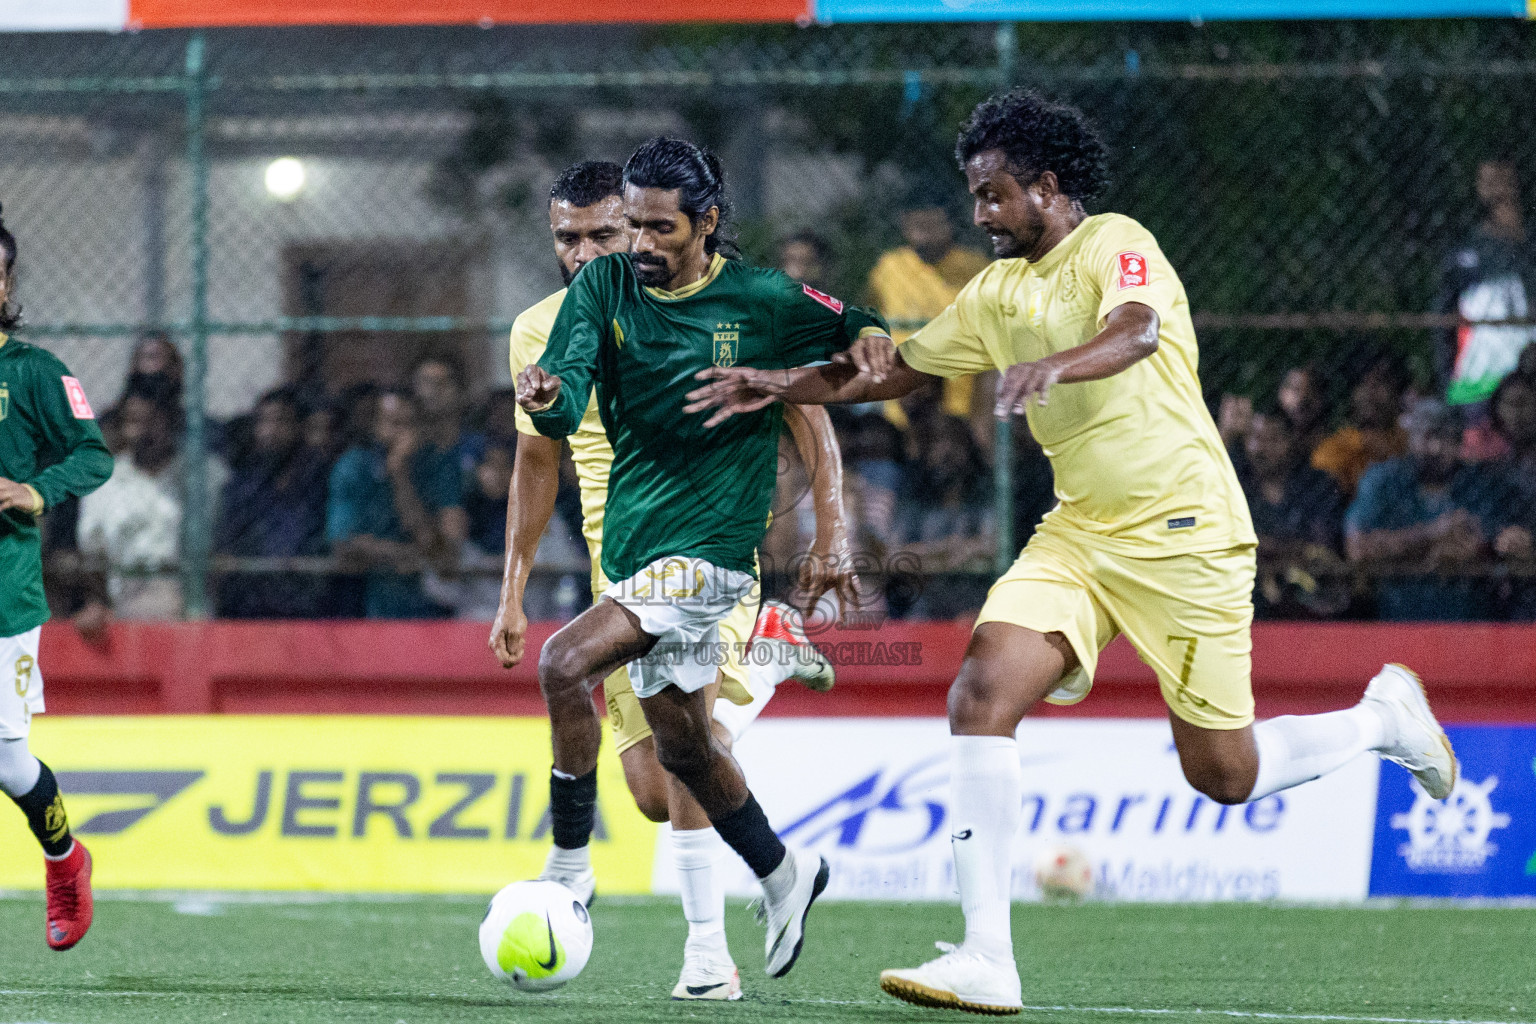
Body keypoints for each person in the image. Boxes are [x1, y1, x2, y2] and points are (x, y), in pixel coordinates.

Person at [687, 90, 1460, 1015]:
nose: (980, 215)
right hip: (1080, 531)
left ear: (1048, 187)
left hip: (1186, 533)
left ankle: (1383, 721)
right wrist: (774, 382)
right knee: (980, 690)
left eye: (994, 195)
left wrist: (1062, 362)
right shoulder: (996, 290)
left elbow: (1137, 330)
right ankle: (986, 959)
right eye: (974, 197)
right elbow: (892, 367)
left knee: (1225, 774)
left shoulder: (1116, 242)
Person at [513, 140, 886, 985]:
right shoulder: (593, 297)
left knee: (562, 663)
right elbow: (563, 401)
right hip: (630, 553)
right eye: (624, 229)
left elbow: (848, 328)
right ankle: (784, 875)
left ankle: (582, 880)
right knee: (676, 761)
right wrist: (548, 394)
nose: (630, 247)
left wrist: (867, 350)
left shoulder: (752, 300)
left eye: (649, 228)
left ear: (704, 222)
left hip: (709, 555)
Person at [0, 203, 112, 949]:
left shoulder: (34, 372)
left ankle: (66, 860)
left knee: (7, 760)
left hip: (5, 593)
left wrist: (36, 491)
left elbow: (92, 454)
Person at [1345, 399, 1516, 621]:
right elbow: (1359, 548)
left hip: (1468, 621)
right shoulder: (1383, 480)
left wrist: (1398, 548)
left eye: (1447, 437)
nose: (1436, 448)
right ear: (1411, 438)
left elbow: (1483, 546)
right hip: (1397, 619)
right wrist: (1433, 534)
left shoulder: (1479, 484)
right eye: (1427, 436)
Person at [76, 388, 228, 624]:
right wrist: (98, 604)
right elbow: (93, 554)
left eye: (152, 420)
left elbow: (222, 545)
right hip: (125, 599)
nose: (141, 431)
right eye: (133, 421)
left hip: (188, 602)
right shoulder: (104, 482)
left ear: (170, 422)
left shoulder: (205, 475)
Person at [325, 390, 465, 619]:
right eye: (393, 423)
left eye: (410, 424)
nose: (403, 433)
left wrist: (399, 472)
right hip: (369, 603)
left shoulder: (439, 466)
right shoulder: (354, 465)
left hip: (431, 603)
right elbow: (343, 543)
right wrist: (403, 554)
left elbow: (441, 547)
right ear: (375, 426)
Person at [866, 195, 991, 426]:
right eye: (916, 224)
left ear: (949, 224)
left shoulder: (974, 266)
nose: (923, 231)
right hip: (901, 397)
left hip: (960, 398)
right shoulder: (890, 266)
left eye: (931, 224)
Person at [215, 388, 332, 618]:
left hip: (307, 612)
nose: (270, 432)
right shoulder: (243, 486)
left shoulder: (320, 482)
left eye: (280, 421)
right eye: (263, 422)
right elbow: (226, 546)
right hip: (249, 610)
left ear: (300, 427)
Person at [1434, 158, 1536, 407]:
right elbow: (1443, 321)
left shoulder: (1530, 243)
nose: (1496, 189)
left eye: (1502, 179)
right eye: (1487, 181)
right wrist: (1446, 380)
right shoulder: (1465, 251)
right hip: (1482, 383)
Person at [1238, 413, 1348, 619]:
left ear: (1290, 441)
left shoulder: (1318, 485)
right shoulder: (1235, 486)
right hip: (1247, 600)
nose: (1260, 449)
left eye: (1271, 439)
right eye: (1254, 438)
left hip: (1312, 600)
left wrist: (1263, 547)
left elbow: (1322, 549)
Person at [1311, 354, 1409, 496]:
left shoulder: (1406, 439)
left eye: (1380, 383)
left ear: (1396, 391)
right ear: (1353, 393)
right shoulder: (1334, 448)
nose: (1370, 393)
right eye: (1362, 384)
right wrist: (1362, 443)